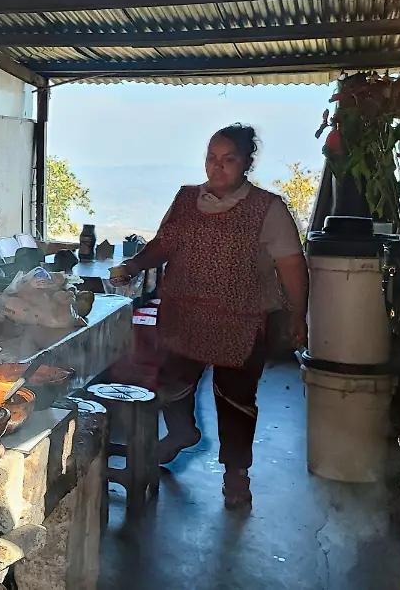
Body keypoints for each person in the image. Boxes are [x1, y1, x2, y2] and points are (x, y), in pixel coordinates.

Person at [111, 123, 309, 510]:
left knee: (235, 401)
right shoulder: (186, 199)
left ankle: (236, 475)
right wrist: (135, 264)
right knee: (172, 384)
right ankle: (183, 433)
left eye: (228, 160)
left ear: (246, 163)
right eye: (211, 159)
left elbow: (292, 267)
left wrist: (299, 315)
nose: (216, 168)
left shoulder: (267, 208)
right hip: (183, 316)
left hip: (240, 321)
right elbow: (163, 245)